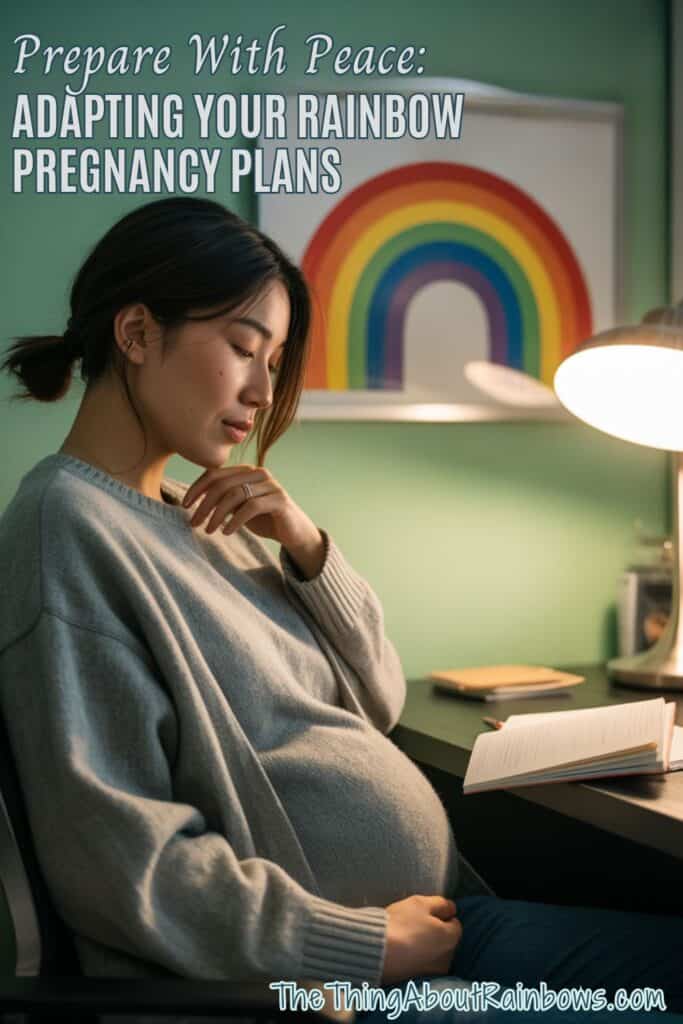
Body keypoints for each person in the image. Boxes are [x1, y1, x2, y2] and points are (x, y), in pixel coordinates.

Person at [0, 197, 680, 1024]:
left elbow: (377, 699)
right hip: (323, 987)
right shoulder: (66, 529)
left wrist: (307, 546)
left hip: (431, 928)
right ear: (137, 335)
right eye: (243, 348)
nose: (263, 389)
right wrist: (363, 945)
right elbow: (117, 865)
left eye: (277, 358)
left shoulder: (204, 517)